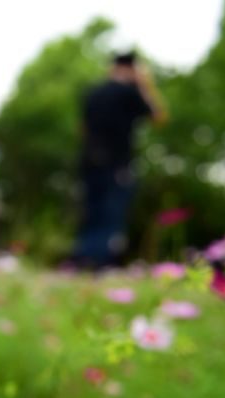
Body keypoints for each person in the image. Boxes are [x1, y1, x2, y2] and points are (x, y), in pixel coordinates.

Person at [70, 51, 167, 268]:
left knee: (90, 210)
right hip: (117, 162)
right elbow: (158, 117)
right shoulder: (130, 93)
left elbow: (82, 130)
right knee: (111, 212)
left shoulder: (92, 93)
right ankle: (97, 263)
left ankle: (81, 258)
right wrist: (144, 84)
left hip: (88, 160)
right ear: (133, 70)